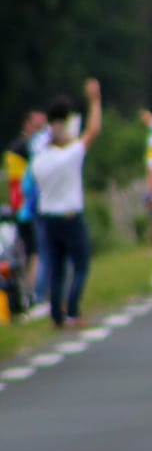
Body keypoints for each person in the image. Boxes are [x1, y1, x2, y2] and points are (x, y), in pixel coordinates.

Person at [30, 79, 102, 328]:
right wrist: (95, 100)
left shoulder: (39, 160)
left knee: (56, 268)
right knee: (81, 265)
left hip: (48, 216)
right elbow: (93, 131)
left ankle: (56, 315)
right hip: (70, 216)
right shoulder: (69, 156)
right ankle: (72, 311)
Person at [7, 109, 48, 301]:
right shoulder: (24, 148)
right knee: (35, 253)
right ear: (28, 124)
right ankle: (35, 294)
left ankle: (30, 292)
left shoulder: (20, 147)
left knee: (29, 254)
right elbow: (22, 183)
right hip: (27, 209)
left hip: (22, 208)